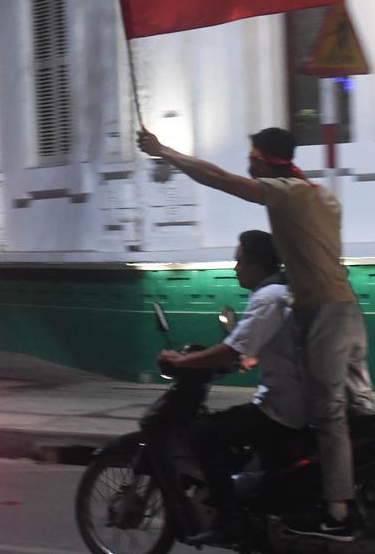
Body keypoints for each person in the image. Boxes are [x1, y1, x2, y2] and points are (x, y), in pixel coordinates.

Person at [138, 126, 372, 540]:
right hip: (348, 311)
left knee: (327, 415)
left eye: (251, 157)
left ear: (262, 160)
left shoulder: (287, 193)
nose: (246, 165)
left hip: (322, 312)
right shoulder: (321, 196)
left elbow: (220, 179)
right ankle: (339, 492)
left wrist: (165, 153)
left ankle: (338, 513)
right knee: (354, 409)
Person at [156, 230, 304, 542]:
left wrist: (182, 362)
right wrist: (241, 362)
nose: (235, 268)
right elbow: (250, 349)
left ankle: (229, 518)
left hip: (283, 407)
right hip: (299, 399)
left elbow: (231, 349)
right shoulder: (281, 293)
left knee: (204, 432)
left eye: (239, 262)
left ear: (256, 265)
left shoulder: (268, 298)